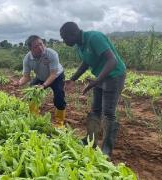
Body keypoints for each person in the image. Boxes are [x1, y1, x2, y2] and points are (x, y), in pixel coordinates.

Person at [60, 22, 126, 157]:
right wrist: (73, 78)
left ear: (73, 34)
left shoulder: (94, 37)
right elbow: (86, 63)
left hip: (114, 75)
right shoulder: (80, 46)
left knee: (108, 113)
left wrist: (97, 80)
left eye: (64, 38)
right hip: (100, 77)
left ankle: (107, 149)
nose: (64, 41)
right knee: (95, 110)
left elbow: (112, 61)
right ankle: (91, 140)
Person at [14, 35, 67, 128]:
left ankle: (59, 122)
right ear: (30, 49)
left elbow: (53, 74)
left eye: (41, 44)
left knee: (59, 97)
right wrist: (19, 83)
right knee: (32, 94)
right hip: (41, 77)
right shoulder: (27, 59)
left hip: (57, 76)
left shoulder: (51, 54)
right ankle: (34, 117)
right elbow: (26, 77)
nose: (40, 47)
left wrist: (43, 85)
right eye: (36, 46)